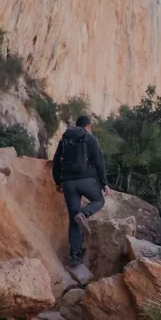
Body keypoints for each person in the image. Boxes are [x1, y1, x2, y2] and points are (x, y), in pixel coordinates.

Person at [52, 114, 109, 266]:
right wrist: (104, 183)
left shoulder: (65, 139)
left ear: (76, 125)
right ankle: (84, 213)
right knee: (99, 200)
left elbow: (56, 161)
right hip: (87, 181)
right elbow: (99, 162)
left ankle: (75, 256)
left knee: (73, 219)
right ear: (88, 126)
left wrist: (58, 181)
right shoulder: (90, 139)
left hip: (68, 184)